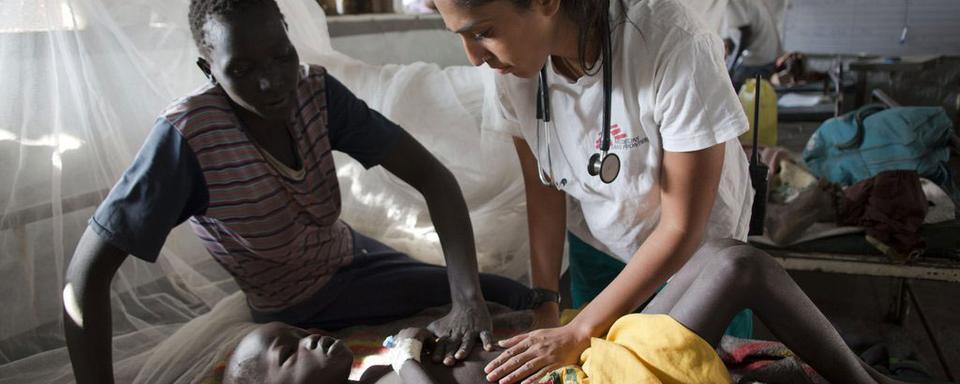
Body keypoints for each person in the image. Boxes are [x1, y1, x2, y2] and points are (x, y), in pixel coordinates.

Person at [61, 0, 534, 382]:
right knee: (503, 306)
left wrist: (466, 300)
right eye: (243, 69)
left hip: (354, 255)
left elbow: (434, 179)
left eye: (281, 56)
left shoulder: (314, 93)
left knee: (497, 298)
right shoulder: (189, 139)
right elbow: (85, 276)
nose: (272, 82)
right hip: (303, 298)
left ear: (290, 39)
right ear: (209, 70)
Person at [431, 0, 756, 381]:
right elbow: (544, 189)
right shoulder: (510, 69)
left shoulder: (675, 43)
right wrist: (546, 303)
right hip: (598, 243)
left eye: (483, 32)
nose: (473, 58)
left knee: (694, 369)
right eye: (462, 36)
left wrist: (581, 329)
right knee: (600, 370)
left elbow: (681, 228)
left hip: (693, 261)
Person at [223, 240, 907, 384]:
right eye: (288, 350)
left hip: (582, 360)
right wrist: (415, 355)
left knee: (721, 257)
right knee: (737, 268)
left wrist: (435, 338)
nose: (311, 337)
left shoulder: (372, 368)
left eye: (300, 330)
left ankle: (846, 370)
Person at [724, 0, 783, 90]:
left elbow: (746, 33)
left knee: (729, 87)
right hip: (767, 58)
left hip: (757, 62)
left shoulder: (733, 2)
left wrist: (731, 66)